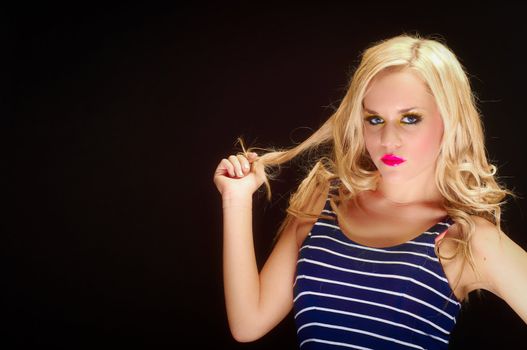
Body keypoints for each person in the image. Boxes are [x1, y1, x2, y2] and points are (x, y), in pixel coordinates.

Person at [213, 34, 527, 349]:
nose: (389, 139)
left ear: (449, 121)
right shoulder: (326, 198)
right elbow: (248, 323)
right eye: (375, 119)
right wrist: (236, 200)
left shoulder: (468, 237)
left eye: (410, 119)